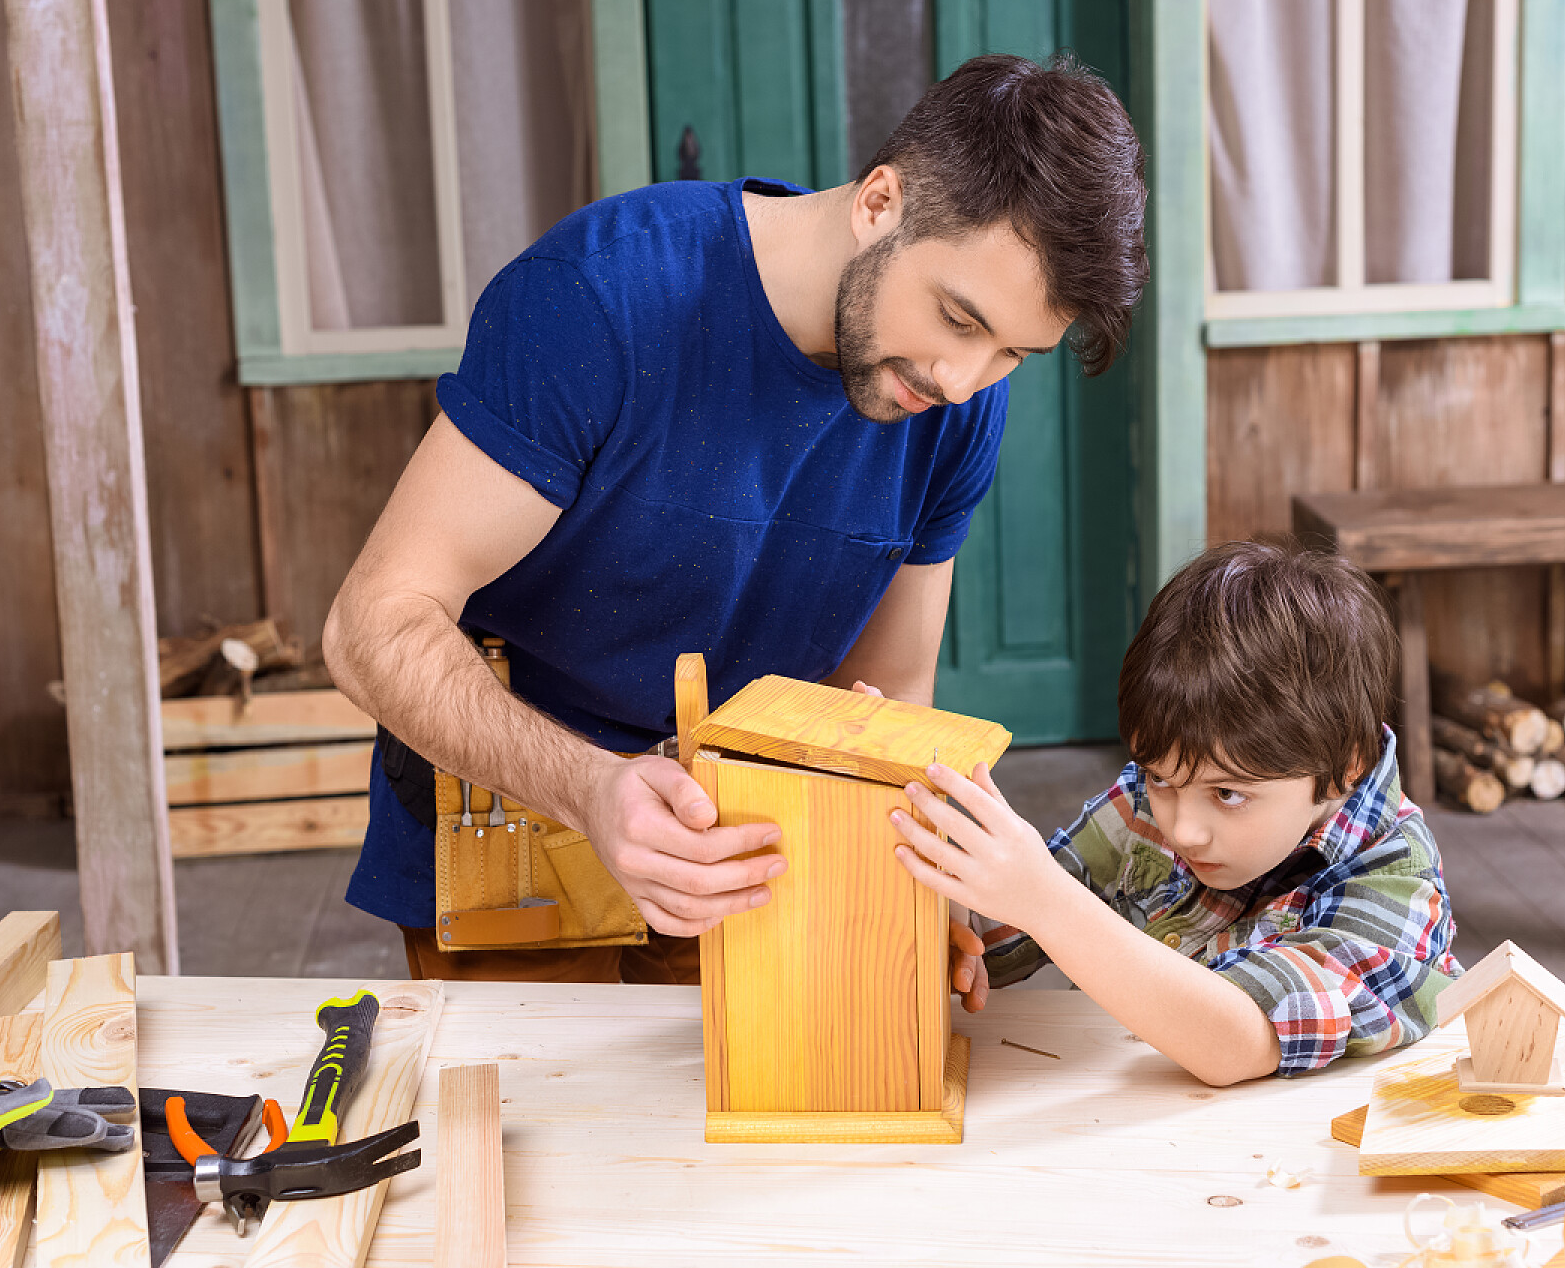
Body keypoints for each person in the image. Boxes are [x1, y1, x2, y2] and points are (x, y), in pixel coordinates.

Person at [324, 53, 1149, 983]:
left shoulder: (955, 403)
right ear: (880, 201)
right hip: (519, 839)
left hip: (754, 860)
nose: (964, 381)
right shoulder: (598, 299)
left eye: (1013, 354)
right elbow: (371, 624)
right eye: (958, 320)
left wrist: (924, 900)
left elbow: (889, 691)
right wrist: (591, 789)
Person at [891, 539, 1462, 1085]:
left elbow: (1238, 1043)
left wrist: (1045, 900)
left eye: (1228, 794)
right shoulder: (1150, 800)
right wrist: (935, 886)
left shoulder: (1397, 883)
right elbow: (1001, 934)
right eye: (1160, 777)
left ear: (1344, 766)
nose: (1182, 830)